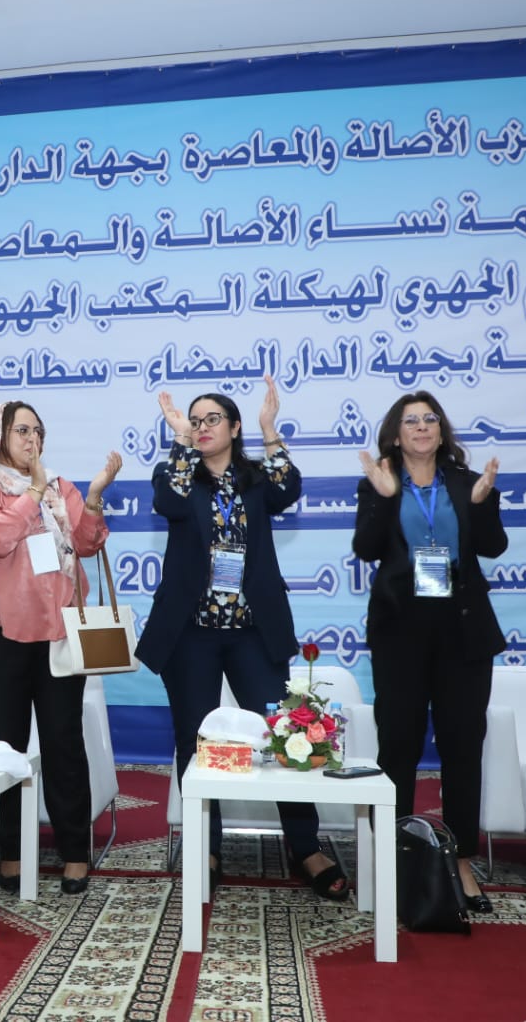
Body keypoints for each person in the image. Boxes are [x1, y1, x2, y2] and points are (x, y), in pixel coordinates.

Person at [136, 377, 348, 899]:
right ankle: (205, 847)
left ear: (234, 428)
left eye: (212, 419)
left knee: (285, 733)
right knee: (195, 741)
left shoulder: (255, 479)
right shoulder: (175, 473)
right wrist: (180, 441)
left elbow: (289, 487)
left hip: (254, 631)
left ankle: (306, 847)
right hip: (192, 633)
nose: (202, 427)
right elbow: (168, 502)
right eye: (195, 420)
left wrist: (270, 429)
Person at [0, 400, 121, 895]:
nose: (32, 440)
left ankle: (75, 852)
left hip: (57, 634)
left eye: (37, 432)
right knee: (4, 747)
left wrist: (93, 497)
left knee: (64, 742)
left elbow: (87, 543)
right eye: (21, 430)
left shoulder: (60, 488)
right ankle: (9, 851)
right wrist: (32, 492)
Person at [353, 390, 505, 911]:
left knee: (463, 744)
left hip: (463, 628)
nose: (421, 427)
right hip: (401, 629)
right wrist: (385, 497)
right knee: (399, 742)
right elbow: (366, 549)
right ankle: (397, 854)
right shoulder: (379, 481)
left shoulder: (467, 482)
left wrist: (481, 504)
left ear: (442, 432)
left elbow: (493, 547)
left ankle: (461, 860)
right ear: (396, 435)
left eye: (430, 419)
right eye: (411, 421)